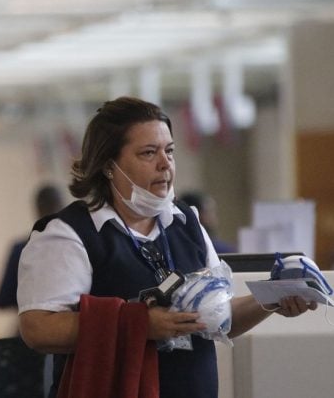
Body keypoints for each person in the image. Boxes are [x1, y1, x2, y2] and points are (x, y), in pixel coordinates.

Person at [17, 97, 317, 398]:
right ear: (109, 166)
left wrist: (273, 298)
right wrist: (138, 326)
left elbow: (218, 316)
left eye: (169, 151)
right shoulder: (68, 234)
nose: (165, 164)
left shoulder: (185, 221)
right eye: (149, 153)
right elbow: (38, 329)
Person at [0, 184, 64, 309]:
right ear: (63, 208)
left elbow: (2, 299)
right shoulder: (80, 245)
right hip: (71, 323)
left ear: (37, 210)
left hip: (32, 321)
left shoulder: (21, 249)